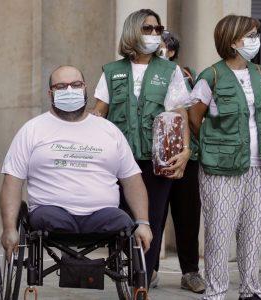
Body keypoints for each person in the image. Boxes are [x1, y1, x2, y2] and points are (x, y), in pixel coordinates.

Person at [0, 65, 153, 262]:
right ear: (50, 93)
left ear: (85, 88)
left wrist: (143, 222)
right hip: (50, 214)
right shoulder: (32, 130)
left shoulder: (109, 130)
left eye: (76, 84)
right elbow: (12, 181)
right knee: (47, 217)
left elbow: (132, 180)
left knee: (123, 221)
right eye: (61, 86)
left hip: (104, 215)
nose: (70, 91)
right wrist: (9, 228)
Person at [90, 9, 193, 283]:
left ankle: (142, 280)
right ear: (133, 31)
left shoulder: (170, 70)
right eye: (148, 29)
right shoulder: (112, 71)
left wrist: (185, 149)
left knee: (152, 220)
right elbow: (98, 111)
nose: (154, 34)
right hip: (119, 161)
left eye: (158, 30)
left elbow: (180, 113)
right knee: (122, 219)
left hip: (156, 159)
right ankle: (125, 272)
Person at [188, 15, 261, 300]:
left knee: (253, 233)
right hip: (220, 167)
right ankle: (216, 293)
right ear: (232, 40)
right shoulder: (211, 76)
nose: (256, 40)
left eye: (256, 34)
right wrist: (214, 145)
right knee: (219, 234)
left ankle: (250, 291)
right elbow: (194, 119)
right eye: (250, 35)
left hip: (259, 164)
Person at [151, 32, 207, 293]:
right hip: (156, 156)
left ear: (171, 52)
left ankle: (190, 272)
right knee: (154, 216)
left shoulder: (184, 76)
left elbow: (193, 113)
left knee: (187, 216)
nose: (158, 50)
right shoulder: (143, 76)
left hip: (188, 155)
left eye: (163, 47)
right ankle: (149, 269)